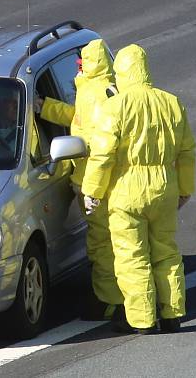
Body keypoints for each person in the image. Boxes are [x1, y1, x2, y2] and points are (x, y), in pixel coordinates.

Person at [81, 44, 196, 334]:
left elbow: (103, 154)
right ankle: (172, 314)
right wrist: (185, 189)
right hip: (165, 187)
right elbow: (187, 151)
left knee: (132, 255)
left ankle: (142, 320)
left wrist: (92, 192)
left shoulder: (115, 106)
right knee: (166, 253)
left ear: (120, 72)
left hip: (126, 190)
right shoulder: (172, 102)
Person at [36, 39, 124, 321]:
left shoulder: (93, 94)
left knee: (102, 246)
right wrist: (45, 107)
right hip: (113, 181)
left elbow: (96, 143)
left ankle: (109, 301)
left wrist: (91, 188)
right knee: (119, 243)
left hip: (95, 181)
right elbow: (78, 119)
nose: (78, 68)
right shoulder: (105, 89)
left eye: (81, 63)